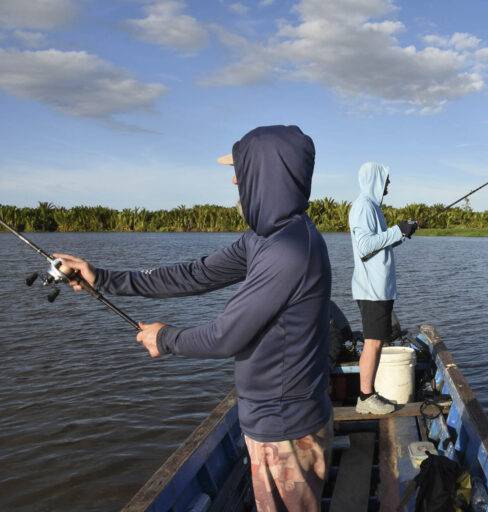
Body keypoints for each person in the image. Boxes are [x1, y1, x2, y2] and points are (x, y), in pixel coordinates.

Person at [55, 125, 333, 512]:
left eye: (240, 167)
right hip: (270, 419)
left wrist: (165, 338)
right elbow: (195, 274)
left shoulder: (289, 250)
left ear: (265, 172)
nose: (234, 178)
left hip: (284, 426)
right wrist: (103, 278)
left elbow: (225, 337)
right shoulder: (265, 239)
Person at [348, 162, 417, 415]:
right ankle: (365, 397)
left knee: (375, 342)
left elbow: (377, 246)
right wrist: (397, 230)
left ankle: (368, 394)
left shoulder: (373, 208)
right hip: (371, 289)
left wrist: (402, 233)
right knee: (373, 343)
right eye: (386, 179)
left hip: (379, 288)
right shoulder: (363, 206)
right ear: (375, 179)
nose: (388, 184)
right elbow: (365, 246)